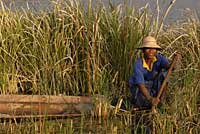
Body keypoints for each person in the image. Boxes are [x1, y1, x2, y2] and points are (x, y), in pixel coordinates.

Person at [129, 36, 170, 109]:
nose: (151, 51)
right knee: (142, 101)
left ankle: (161, 101)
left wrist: (176, 62)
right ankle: (143, 104)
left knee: (164, 73)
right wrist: (150, 99)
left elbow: (169, 67)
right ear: (143, 50)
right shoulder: (138, 65)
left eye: (153, 49)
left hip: (153, 87)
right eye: (148, 48)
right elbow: (140, 85)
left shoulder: (159, 58)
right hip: (140, 90)